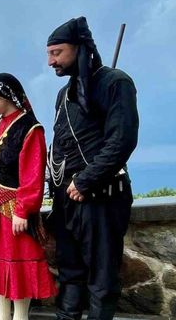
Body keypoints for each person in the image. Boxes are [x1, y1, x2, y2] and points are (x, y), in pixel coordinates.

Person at [46, 17, 139, 320]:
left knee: (101, 279)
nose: (51, 61)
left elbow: (121, 140)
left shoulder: (114, 82)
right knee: (70, 272)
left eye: (57, 52)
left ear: (79, 48)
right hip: (66, 200)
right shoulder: (64, 94)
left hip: (101, 197)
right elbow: (59, 146)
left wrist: (85, 181)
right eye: (50, 54)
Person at [0, 73, 57, 320]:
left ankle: (20, 316)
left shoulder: (30, 128)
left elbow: (32, 173)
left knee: (17, 262)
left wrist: (23, 210)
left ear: (4, 95)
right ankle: (1, 314)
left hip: (12, 211)